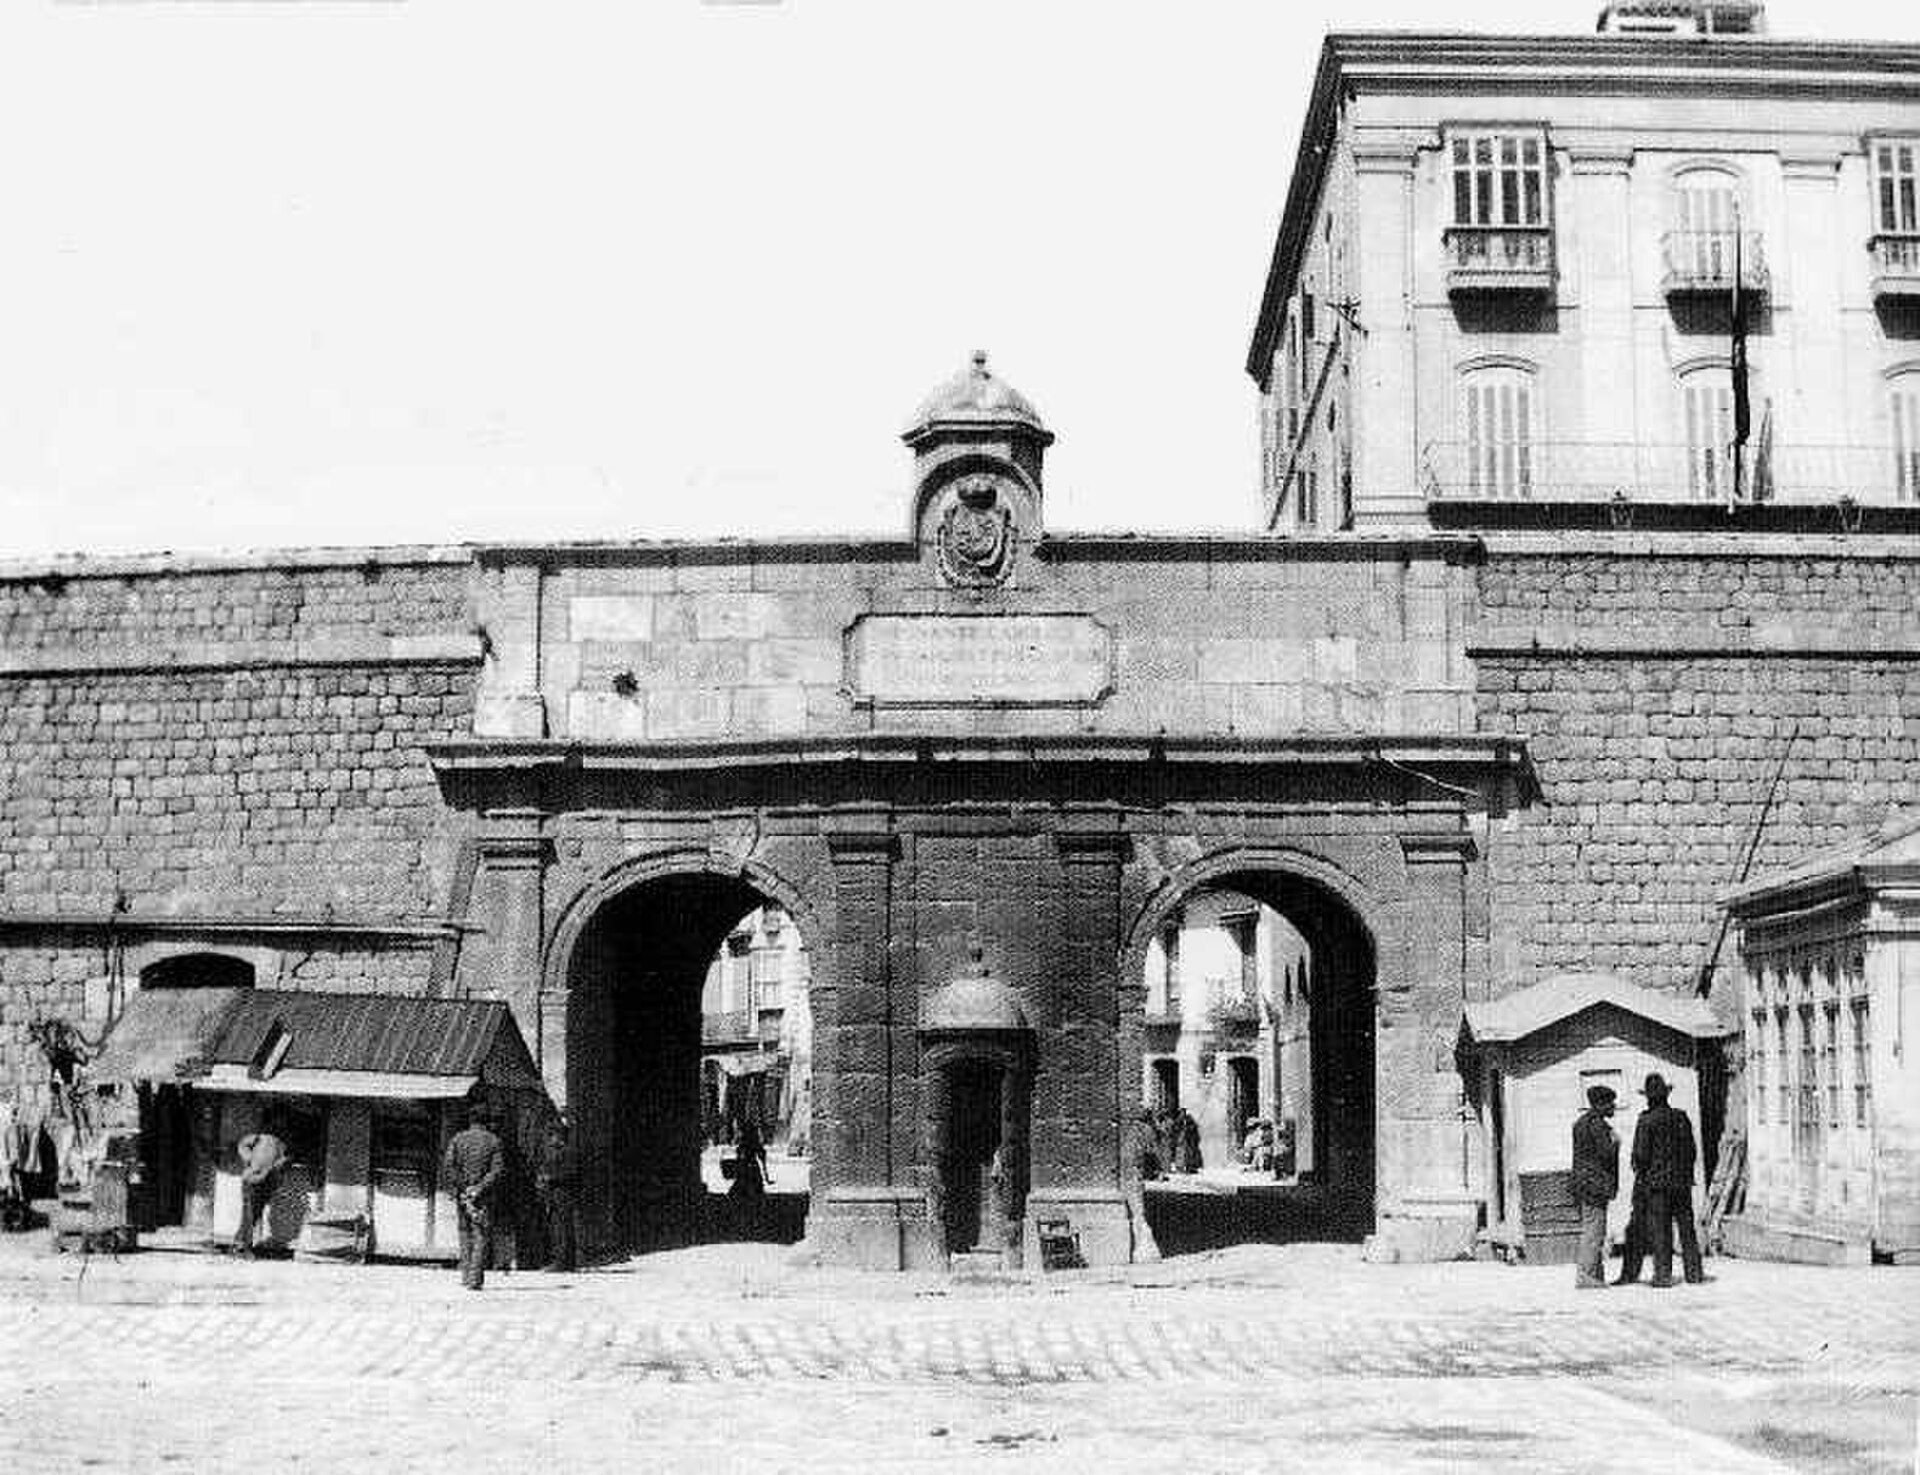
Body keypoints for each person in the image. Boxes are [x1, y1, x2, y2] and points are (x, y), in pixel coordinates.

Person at [1628, 1072, 1704, 1287]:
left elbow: (1640, 1156)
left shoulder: (1646, 1120)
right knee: (1687, 1230)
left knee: (1661, 1231)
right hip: (1681, 1183)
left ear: (1648, 1097)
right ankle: (1694, 1273)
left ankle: (1663, 1275)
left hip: (1657, 1185)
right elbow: (1691, 1150)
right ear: (1666, 1095)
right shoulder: (1681, 1117)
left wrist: (1641, 1173)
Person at [441, 1103, 504, 1291]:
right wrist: (479, 1188)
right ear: (487, 1121)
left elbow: (449, 1165)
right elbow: (497, 1169)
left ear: (470, 1120)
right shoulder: (494, 1141)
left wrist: (463, 1188)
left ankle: (466, 1275)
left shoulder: (458, 1139)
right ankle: (475, 1278)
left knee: (464, 1232)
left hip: (463, 1196)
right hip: (483, 1197)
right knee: (480, 1235)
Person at [1570, 1084, 1620, 1289]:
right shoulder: (1597, 1125)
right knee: (1594, 1230)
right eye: (1610, 1103)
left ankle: (1594, 1274)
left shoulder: (1581, 1123)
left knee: (1592, 1227)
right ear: (1600, 1104)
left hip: (1584, 1183)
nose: (1613, 1106)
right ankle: (1587, 1275)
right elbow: (1605, 1154)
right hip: (1594, 1184)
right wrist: (1616, 1142)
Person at [233, 1118, 287, 1258]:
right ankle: (242, 1246)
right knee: (249, 1214)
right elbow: (242, 1145)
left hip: (266, 1181)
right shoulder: (258, 1138)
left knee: (255, 1214)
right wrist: (251, 1161)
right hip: (251, 1180)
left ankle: (243, 1244)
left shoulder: (279, 1143)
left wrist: (273, 1168)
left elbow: (281, 1160)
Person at [535, 1117, 580, 1273]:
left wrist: (550, 1177)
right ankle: (562, 1260)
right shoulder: (554, 1152)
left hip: (563, 1194)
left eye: (553, 1135)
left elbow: (571, 1172)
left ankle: (563, 1261)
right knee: (556, 1227)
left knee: (562, 1228)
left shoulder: (567, 1152)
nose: (551, 1139)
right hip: (554, 1194)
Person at [1124, 1105, 1163, 1262]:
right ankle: (1143, 1248)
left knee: (1135, 1209)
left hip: (1127, 1172)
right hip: (1135, 1174)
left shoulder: (1129, 1129)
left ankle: (1140, 1246)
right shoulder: (1146, 1130)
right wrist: (1157, 1170)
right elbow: (1152, 1152)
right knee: (1138, 1210)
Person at [729, 1117, 767, 1201]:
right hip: (750, 1166)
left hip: (746, 1166)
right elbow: (761, 1154)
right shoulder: (749, 1143)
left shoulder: (743, 1143)